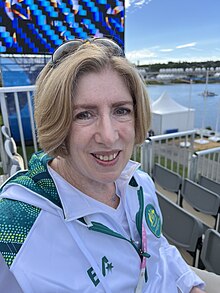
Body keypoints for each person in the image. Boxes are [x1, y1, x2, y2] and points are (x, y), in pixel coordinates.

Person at [0, 37, 206, 292]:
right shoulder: (14, 229)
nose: (108, 136)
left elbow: (157, 247)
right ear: (58, 123)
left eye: (121, 110)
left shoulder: (139, 183)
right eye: (84, 114)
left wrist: (190, 285)